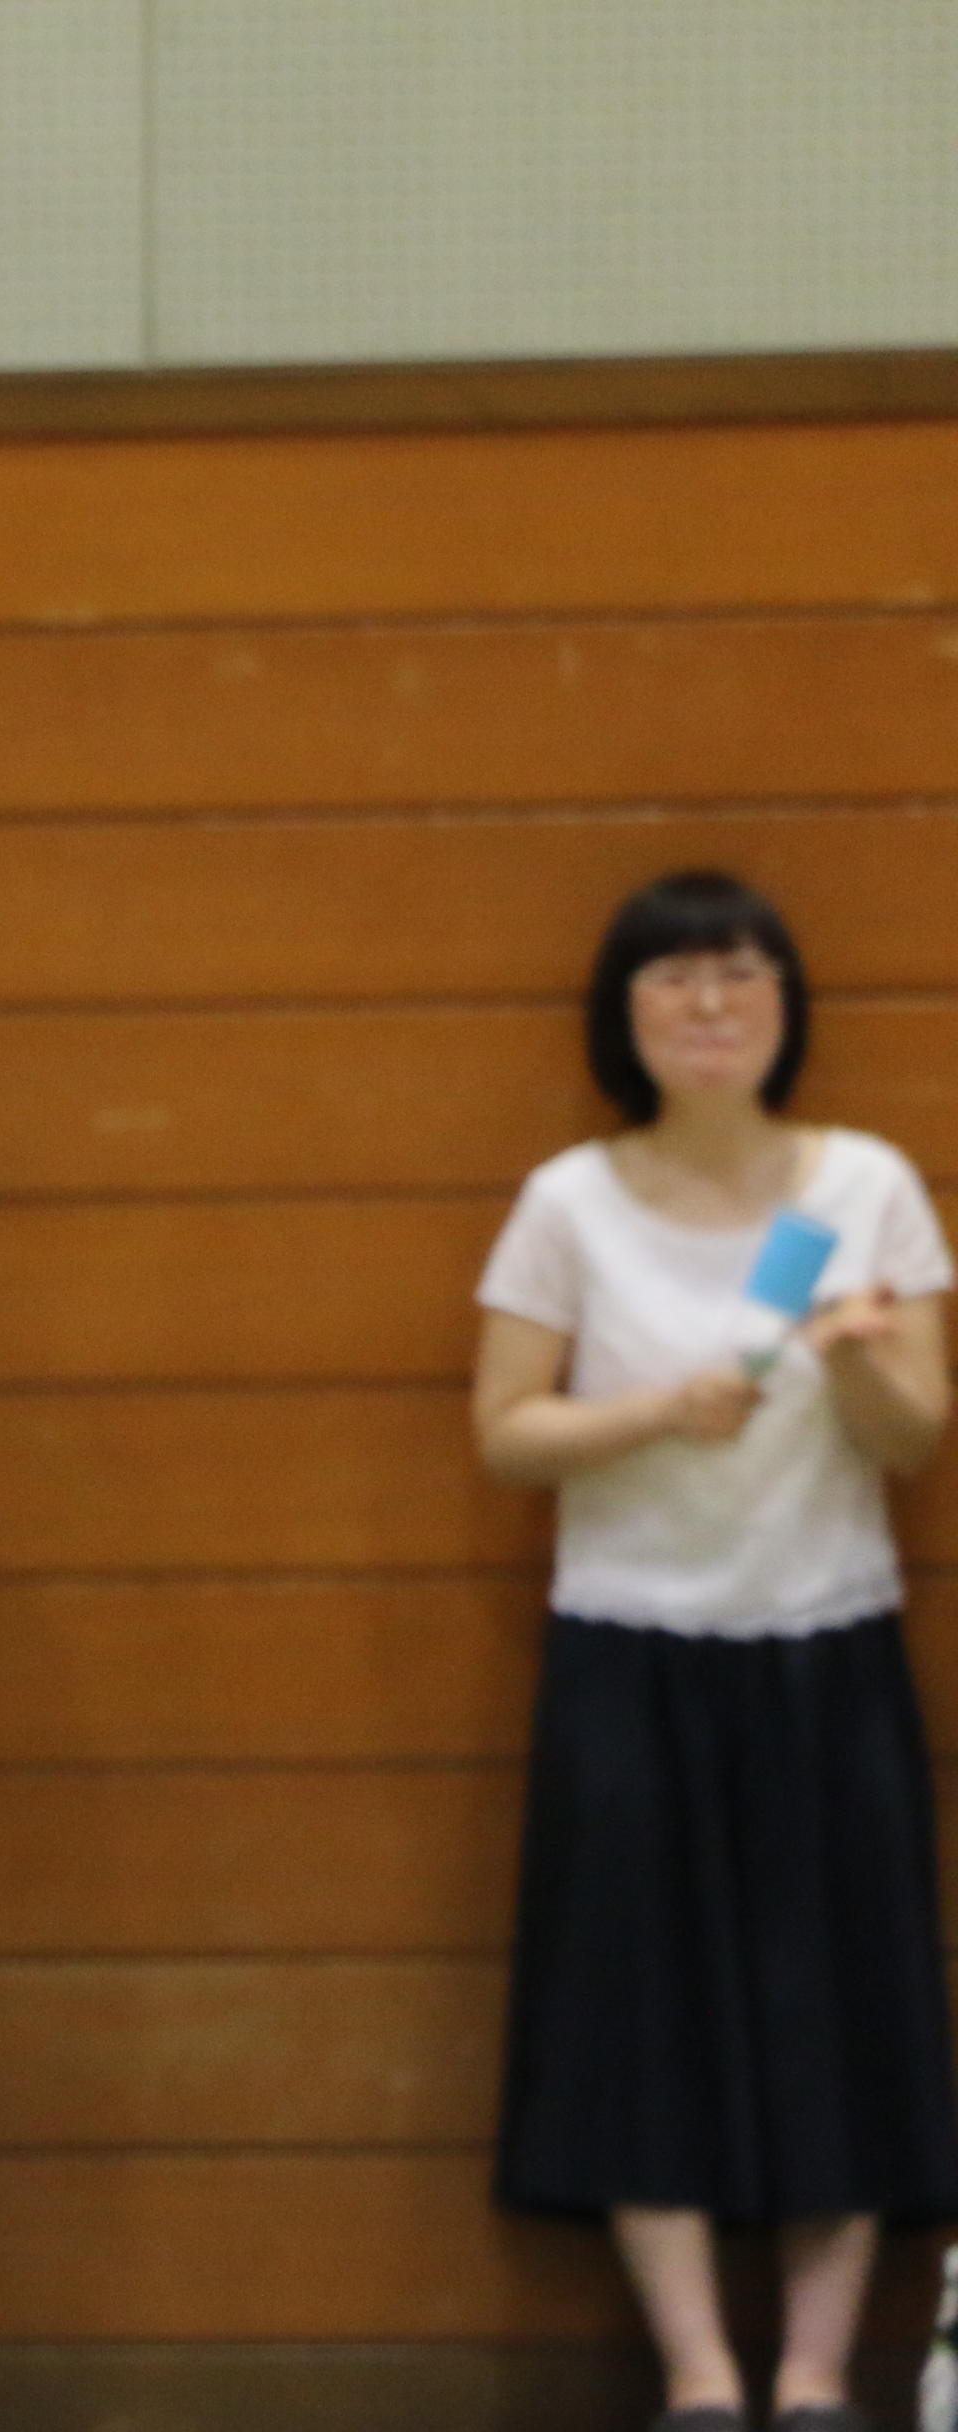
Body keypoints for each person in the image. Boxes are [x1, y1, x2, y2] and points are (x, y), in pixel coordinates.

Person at [473, 869, 957, 2432]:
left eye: (741, 973)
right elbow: (507, 1432)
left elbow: (916, 1436)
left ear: (786, 1005)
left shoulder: (864, 1188)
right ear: (622, 1014)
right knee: (637, 2015)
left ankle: (813, 2379)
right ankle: (698, 2376)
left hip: (828, 1646)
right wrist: (657, 1413)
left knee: (844, 2005)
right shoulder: (569, 1200)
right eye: (674, 977)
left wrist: (859, 1360)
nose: (709, 1004)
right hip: (629, 1651)